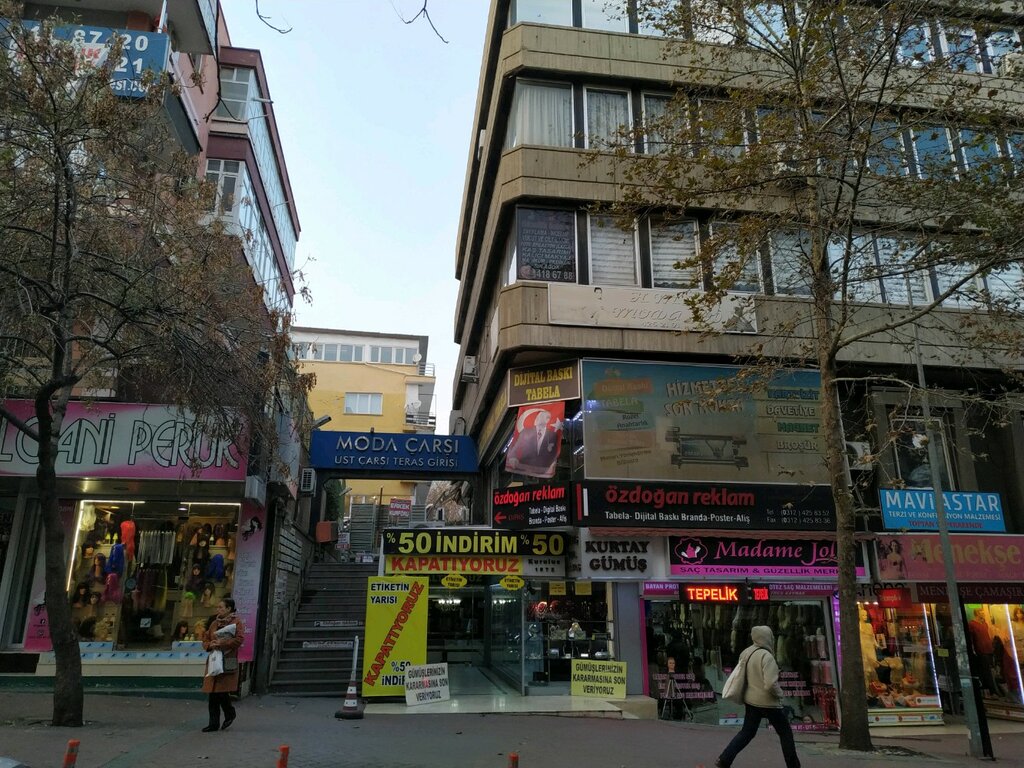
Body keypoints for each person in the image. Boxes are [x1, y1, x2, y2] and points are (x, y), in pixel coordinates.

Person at [715, 626, 800, 768]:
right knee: (785, 733)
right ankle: (793, 765)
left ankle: (724, 759)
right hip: (768, 703)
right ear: (767, 638)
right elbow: (770, 683)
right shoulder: (767, 657)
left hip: (751, 701)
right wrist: (780, 694)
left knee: (746, 733)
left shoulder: (747, 652)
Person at [201, 597, 244, 732]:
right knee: (213, 693)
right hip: (214, 659)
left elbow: (239, 640)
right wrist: (210, 645)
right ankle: (214, 723)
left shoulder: (236, 622)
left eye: (221, 607)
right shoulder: (214, 622)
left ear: (229, 609)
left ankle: (229, 713)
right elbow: (205, 639)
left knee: (221, 691)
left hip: (227, 659)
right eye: (218, 607)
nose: (218, 609)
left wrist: (222, 643)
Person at [505, 409, 561, 478]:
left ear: (547, 420)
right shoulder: (525, 432)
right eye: (537, 417)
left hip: (543, 470)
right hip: (525, 469)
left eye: (541, 417)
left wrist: (553, 462)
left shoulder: (552, 435)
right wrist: (513, 457)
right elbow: (516, 447)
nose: (537, 419)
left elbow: (554, 452)